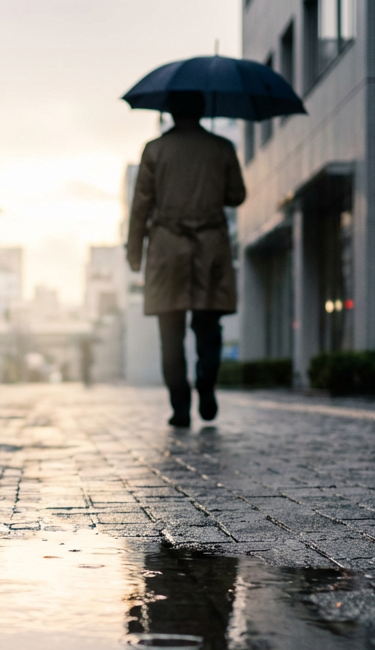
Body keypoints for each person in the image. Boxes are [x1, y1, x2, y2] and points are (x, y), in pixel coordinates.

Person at [126, 92, 246, 427]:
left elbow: (140, 207)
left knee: (170, 332)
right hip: (210, 246)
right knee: (209, 326)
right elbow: (237, 195)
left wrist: (135, 253)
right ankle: (206, 386)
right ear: (203, 110)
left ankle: (180, 406)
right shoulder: (221, 147)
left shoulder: (155, 149)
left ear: (171, 113)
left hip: (167, 249)